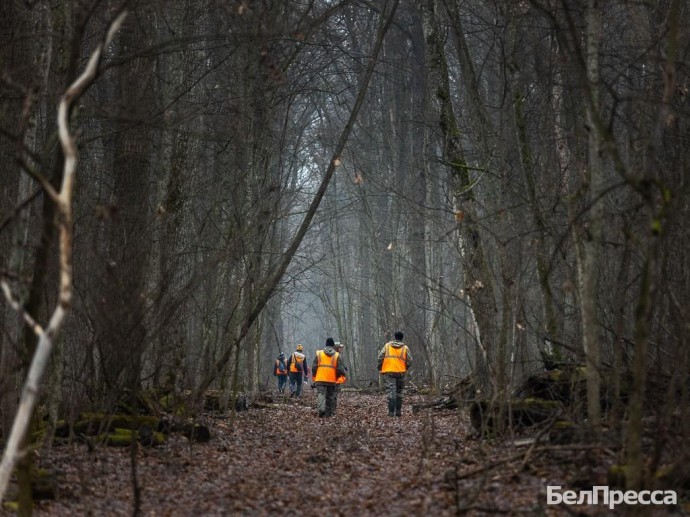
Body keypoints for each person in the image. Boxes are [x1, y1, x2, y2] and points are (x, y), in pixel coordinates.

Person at [377, 331, 412, 417]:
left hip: (389, 372)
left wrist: (380, 367)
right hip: (401, 372)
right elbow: (410, 361)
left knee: (391, 391)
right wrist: (405, 368)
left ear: (394, 337)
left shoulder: (387, 346)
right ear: (402, 338)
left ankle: (391, 412)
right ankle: (398, 412)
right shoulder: (405, 348)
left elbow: (380, 357)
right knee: (399, 392)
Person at [311, 338, 346, 417]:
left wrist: (315, 375)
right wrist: (336, 376)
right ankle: (329, 413)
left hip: (320, 378)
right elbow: (340, 369)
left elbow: (314, 367)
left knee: (321, 394)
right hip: (331, 380)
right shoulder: (337, 355)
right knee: (330, 396)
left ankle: (321, 409)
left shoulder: (319, 353)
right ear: (333, 345)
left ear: (326, 344)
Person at [332, 342, 348, 415]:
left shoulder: (336, 355)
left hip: (332, 378)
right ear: (336, 348)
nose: (341, 349)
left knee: (332, 394)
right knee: (334, 395)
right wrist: (344, 374)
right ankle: (332, 410)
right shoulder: (337, 355)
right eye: (339, 347)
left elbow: (342, 365)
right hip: (335, 378)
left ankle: (330, 410)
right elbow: (339, 367)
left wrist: (345, 367)